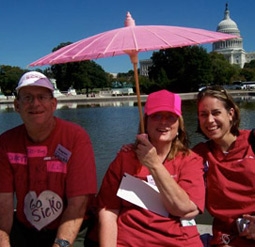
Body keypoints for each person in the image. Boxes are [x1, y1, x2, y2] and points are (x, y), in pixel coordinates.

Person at [0, 71, 97, 247]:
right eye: (27, 97)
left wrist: (60, 243)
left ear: (53, 104)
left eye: (42, 97)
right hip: (23, 228)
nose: (35, 103)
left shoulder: (76, 138)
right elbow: (3, 204)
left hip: (72, 227)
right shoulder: (5, 143)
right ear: (16, 105)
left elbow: (78, 203)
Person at [97, 89, 205, 247]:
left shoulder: (191, 160)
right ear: (145, 122)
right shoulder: (125, 158)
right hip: (130, 241)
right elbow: (108, 210)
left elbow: (183, 209)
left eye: (170, 117)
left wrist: (154, 164)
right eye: (156, 116)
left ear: (179, 124)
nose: (163, 122)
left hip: (179, 241)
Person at [193, 86, 255, 247]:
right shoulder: (199, 155)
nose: (209, 120)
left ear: (231, 114)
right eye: (203, 115)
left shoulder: (252, 142)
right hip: (225, 240)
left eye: (216, 113)